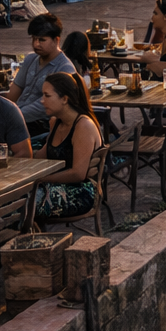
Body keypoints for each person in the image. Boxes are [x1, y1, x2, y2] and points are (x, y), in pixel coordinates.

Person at [31, 72, 102, 221]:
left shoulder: (83, 126)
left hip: (79, 192)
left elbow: (78, 174)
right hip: (53, 186)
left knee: (23, 204)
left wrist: (42, 179)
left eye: (47, 96)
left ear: (64, 99)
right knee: (12, 198)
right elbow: (40, 158)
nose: (42, 101)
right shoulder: (56, 123)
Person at [7, 13, 78, 137]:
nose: (36, 44)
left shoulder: (64, 68)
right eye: (34, 39)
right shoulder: (30, 59)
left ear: (56, 40)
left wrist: (13, 116)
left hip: (41, 126)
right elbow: (13, 93)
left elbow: (44, 106)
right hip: (17, 119)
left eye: (42, 40)